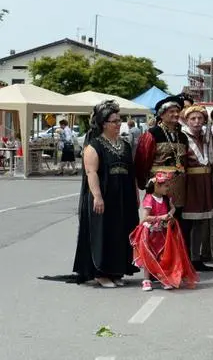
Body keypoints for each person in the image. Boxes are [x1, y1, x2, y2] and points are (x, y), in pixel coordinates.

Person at [73, 100, 140, 287]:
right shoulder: (94, 146)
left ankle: (116, 270)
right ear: (104, 123)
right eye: (115, 121)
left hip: (123, 195)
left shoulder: (125, 145)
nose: (119, 124)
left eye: (120, 120)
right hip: (104, 195)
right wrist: (97, 196)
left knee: (121, 231)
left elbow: (131, 172)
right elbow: (91, 173)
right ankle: (101, 273)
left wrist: (135, 195)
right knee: (104, 232)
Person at [134, 94, 192, 240]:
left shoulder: (182, 136)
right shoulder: (152, 134)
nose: (175, 114)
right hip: (159, 185)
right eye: (171, 111)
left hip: (179, 187)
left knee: (177, 220)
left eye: (177, 111)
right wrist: (144, 183)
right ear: (162, 114)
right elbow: (142, 160)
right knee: (159, 222)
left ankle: (176, 257)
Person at [131, 172, 198, 291]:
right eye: (166, 186)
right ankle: (146, 280)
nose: (168, 188)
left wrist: (170, 215)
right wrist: (161, 217)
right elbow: (144, 218)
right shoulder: (149, 199)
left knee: (163, 255)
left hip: (162, 232)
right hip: (150, 232)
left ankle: (163, 277)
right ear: (157, 186)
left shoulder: (167, 199)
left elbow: (173, 208)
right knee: (149, 255)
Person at [180, 104, 213, 272]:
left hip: (205, 180)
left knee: (202, 222)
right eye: (193, 119)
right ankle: (186, 257)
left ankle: (196, 257)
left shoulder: (207, 137)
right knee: (189, 222)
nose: (196, 122)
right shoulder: (183, 137)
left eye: (199, 118)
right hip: (190, 182)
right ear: (187, 121)